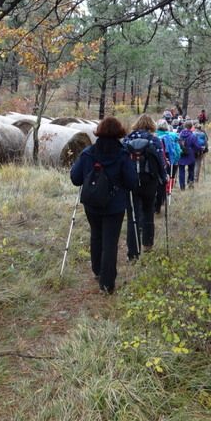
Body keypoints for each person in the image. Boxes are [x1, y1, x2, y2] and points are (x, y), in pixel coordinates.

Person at [70, 116, 137, 295]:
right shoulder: (123, 155)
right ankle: (107, 284)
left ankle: (98, 271)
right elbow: (132, 182)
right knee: (110, 242)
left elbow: (75, 179)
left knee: (96, 236)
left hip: (92, 204)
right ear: (119, 133)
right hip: (114, 206)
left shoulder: (88, 153)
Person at [122, 115, 167, 257]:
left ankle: (133, 253)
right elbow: (161, 162)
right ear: (151, 125)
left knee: (132, 216)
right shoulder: (154, 140)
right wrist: (163, 178)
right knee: (148, 212)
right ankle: (147, 245)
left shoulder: (127, 139)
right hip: (149, 181)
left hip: (131, 181)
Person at [154, 119, 181, 211]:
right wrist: (173, 161)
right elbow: (172, 151)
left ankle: (155, 203)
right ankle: (161, 201)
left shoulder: (154, 136)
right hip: (167, 162)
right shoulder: (170, 137)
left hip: (154, 163)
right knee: (164, 181)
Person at [177, 120, 203, 190]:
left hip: (181, 154)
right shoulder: (192, 136)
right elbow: (197, 146)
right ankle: (190, 184)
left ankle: (182, 187)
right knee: (191, 170)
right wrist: (200, 149)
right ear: (191, 127)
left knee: (181, 171)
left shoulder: (179, 135)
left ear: (184, 126)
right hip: (190, 155)